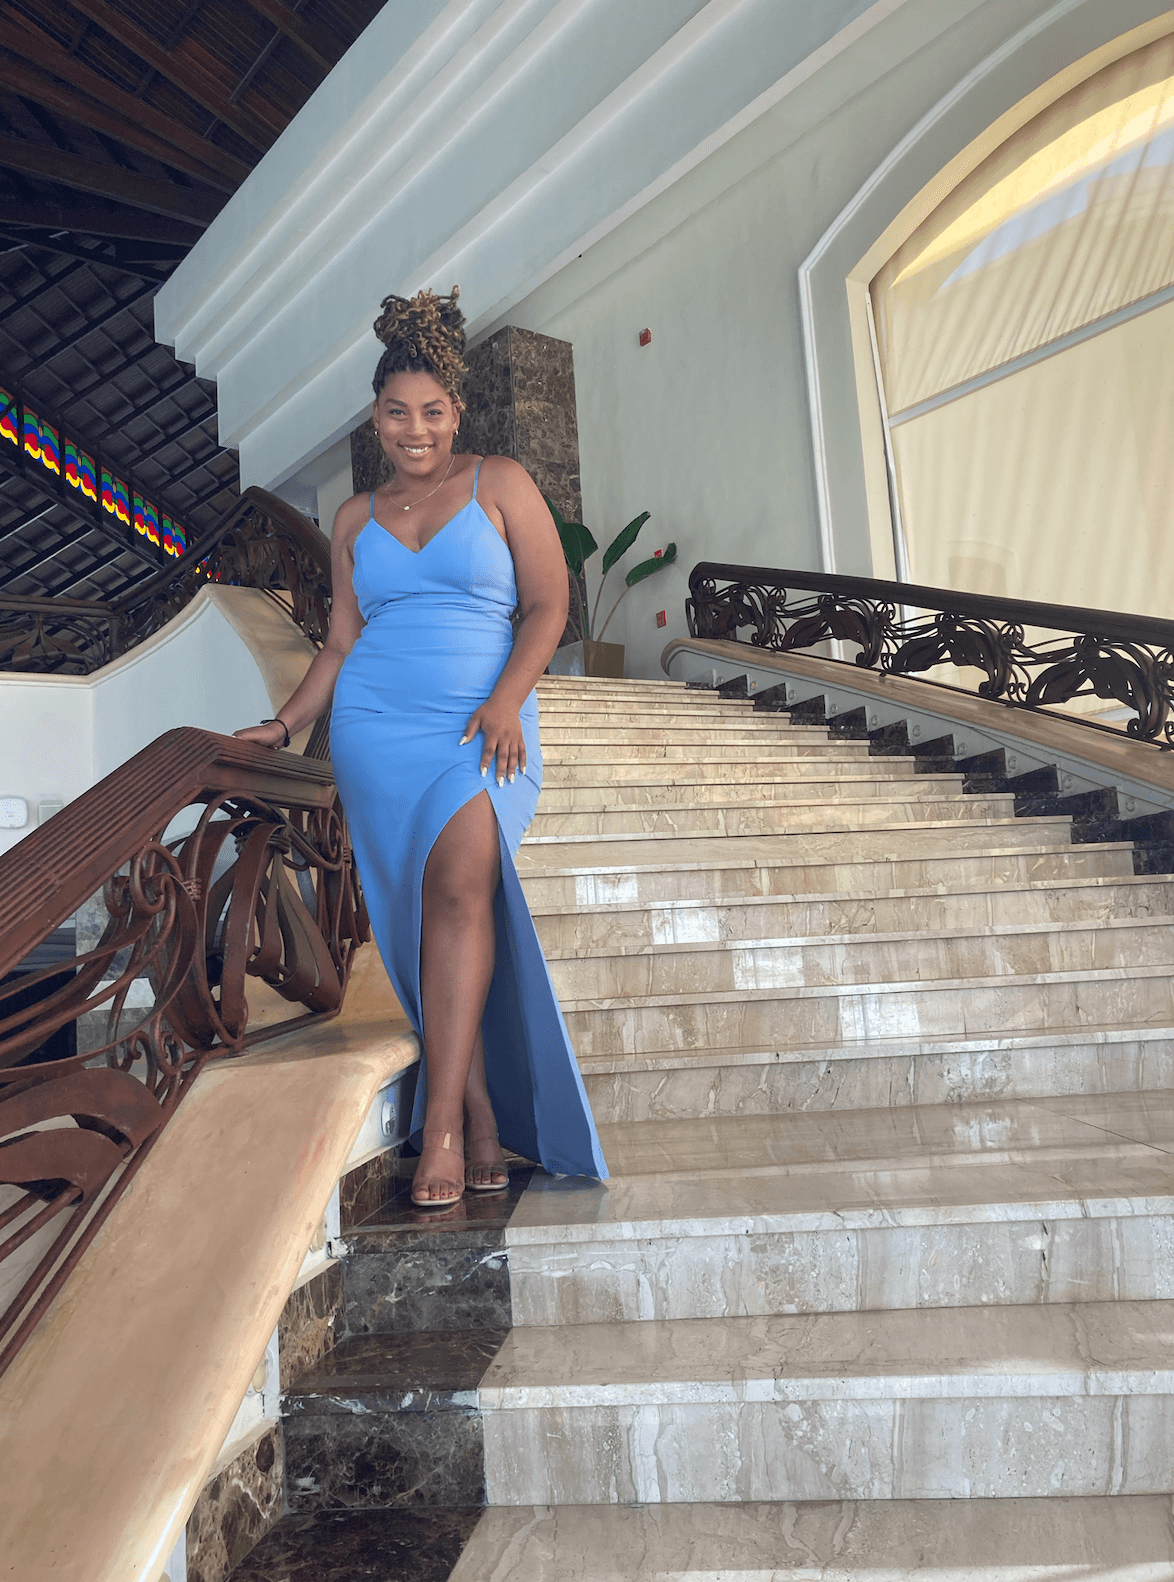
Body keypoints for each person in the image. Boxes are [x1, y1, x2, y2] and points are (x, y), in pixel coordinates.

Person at [235, 287, 607, 1208]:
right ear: (376, 416)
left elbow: (551, 607)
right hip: (375, 729)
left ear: (457, 412)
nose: (416, 430)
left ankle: (439, 1125)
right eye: (398, 412)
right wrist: (284, 726)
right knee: (427, 920)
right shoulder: (355, 521)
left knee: (459, 890)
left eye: (432, 411)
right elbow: (339, 643)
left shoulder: (502, 483)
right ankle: (475, 1111)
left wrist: (509, 701)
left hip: (478, 725)